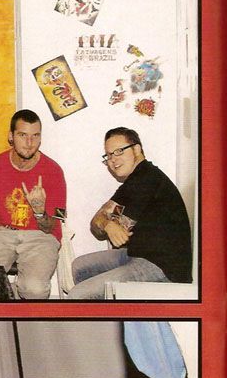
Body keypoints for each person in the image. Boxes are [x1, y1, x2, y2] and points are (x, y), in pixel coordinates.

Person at [68, 127, 192, 299]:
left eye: (118, 151)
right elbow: (97, 222)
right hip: (138, 254)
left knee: (78, 295)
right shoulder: (132, 183)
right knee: (79, 267)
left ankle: (110, 321)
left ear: (137, 149)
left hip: (162, 267)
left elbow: (117, 228)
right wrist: (107, 223)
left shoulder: (147, 179)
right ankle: (108, 319)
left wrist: (109, 223)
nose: (113, 160)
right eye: (109, 155)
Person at [0, 109, 66, 299]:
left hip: (41, 236)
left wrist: (39, 211)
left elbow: (55, 224)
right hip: (3, 232)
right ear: (11, 136)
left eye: (35, 136)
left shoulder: (55, 170)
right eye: (23, 135)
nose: (29, 143)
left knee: (34, 289)